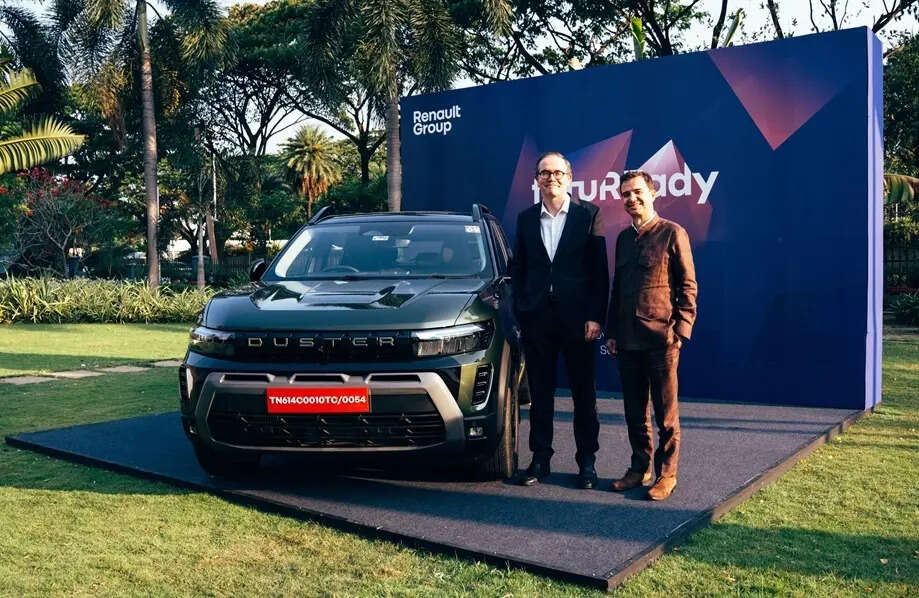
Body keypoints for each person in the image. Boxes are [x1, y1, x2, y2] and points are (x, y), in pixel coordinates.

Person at [511, 151, 609, 489]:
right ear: (536, 180)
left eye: (557, 172)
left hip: (579, 321)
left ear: (569, 178)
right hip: (537, 320)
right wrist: (522, 310)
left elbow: (599, 273)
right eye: (543, 173)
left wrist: (596, 317)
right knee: (540, 393)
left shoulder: (588, 215)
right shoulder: (525, 219)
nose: (550, 178)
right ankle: (540, 459)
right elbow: (519, 269)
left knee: (584, 394)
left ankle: (587, 463)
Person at [605, 170, 697, 501]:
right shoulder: (623, 239)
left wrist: (680, 331)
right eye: (626, 194)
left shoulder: (673, 233)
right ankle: (639, 467)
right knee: (634, 411)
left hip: (662, 341)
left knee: (665, 415)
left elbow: (688, 286)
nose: (632, 199)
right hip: (627, 342)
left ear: (653, 193)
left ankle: (666, 473)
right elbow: (617, 290)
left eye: (637, 192)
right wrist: (612, 333)